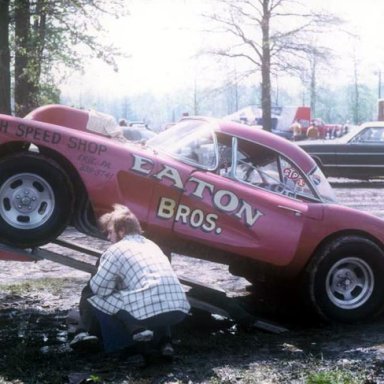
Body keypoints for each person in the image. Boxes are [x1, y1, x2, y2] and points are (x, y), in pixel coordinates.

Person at [71, 204, 190, 359]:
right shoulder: (152, 245)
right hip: (179, 309)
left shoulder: (116, 249)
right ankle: (163, 342)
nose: (108, 237)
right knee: (153, 296)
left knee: (97, 298)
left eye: (110, 232)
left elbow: (99, 288)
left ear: (121, 231)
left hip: (148, 310)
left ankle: (122, 346)